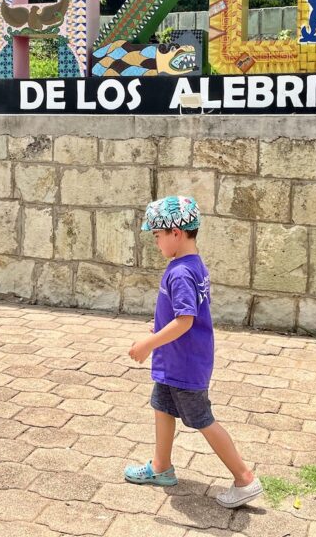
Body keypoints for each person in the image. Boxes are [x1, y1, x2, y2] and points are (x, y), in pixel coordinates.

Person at [124, 195, 264, 509]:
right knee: (162, 404)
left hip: (184, 364)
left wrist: (149, 343)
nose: (156, 242)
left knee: (202, 419)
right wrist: (157, 327)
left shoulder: (181, 272)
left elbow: (186, 320)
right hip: (176, 360)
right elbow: (182, 314)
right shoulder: (192, 264)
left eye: (157, 236)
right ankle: (161, 467)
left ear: (176, 232)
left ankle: (245, 478)